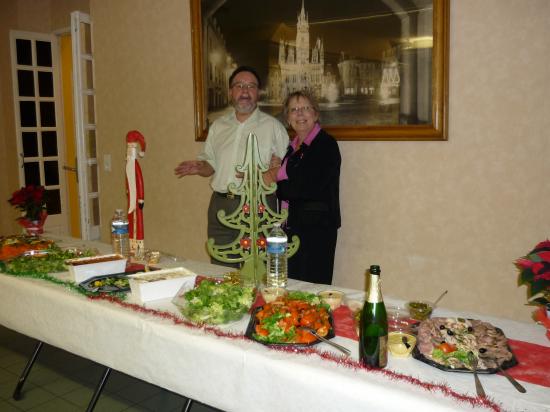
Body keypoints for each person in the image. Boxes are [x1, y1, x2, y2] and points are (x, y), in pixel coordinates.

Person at [174, 66, 289, 266]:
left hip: (258, 207)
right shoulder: (218, 126)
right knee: (222, 268)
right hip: (221, 206)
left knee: (257, 271)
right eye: (239, 85)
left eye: (251, 86)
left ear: (258, 93)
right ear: (230, 92)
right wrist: (200, 167)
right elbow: (211, 164)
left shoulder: (273, 127)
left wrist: (274, 169)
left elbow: (287, 166)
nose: (245, 91)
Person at [275, 90, 341, 285]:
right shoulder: (293, 147)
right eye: (294, 110)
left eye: (305, 108)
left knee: (312, 289)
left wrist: (274, 182)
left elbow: (306, 188)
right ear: (288, 118)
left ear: (316, 114)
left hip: (316, 231)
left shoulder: (325, 145)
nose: (300, 114)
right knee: (293, 286)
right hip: (293, 227)